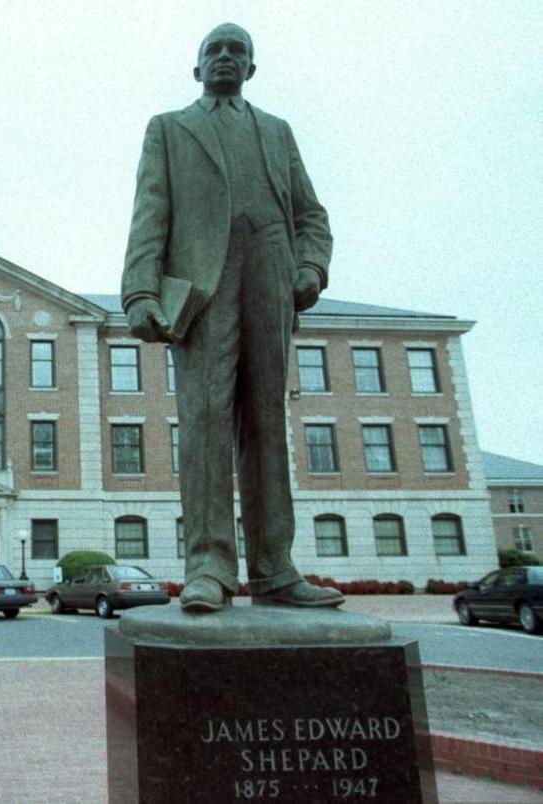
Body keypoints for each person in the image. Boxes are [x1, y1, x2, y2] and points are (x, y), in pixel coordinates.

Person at [121, 23, 345, 612]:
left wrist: (311, 268)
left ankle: (275, 568)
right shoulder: (169, 128)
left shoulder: (277, 131)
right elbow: (150, 212)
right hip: (202, 288)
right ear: (197, 69)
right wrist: (139, 291)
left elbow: (311, 214)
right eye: (213, 50)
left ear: (251, 68)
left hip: (270, 280)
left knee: (268, 421)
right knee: (204, 420)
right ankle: (210, 567)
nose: (225, 57)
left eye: (236, 51)